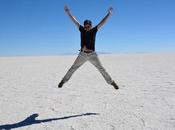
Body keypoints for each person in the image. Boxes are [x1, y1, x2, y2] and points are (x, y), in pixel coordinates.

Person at [58, 5, 119, 90]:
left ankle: (112, 82)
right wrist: (69, 12)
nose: (86, 27)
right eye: (85, 25)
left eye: (88, 26)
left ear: (91, 25)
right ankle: (63, 81)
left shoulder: (94, 30)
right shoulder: (82, 30)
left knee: (101, 69)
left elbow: (102, 22)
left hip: (92, 54)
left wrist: (109, 14)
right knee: (73, 68)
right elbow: (75, 21)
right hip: (82, 54)